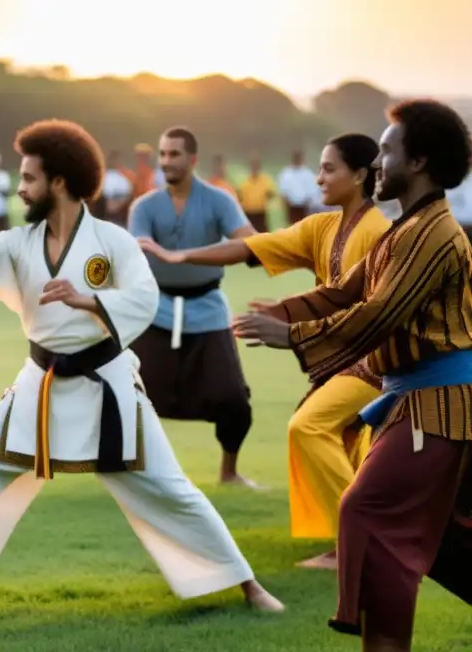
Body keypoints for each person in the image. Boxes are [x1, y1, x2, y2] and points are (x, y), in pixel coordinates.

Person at [0, 119, 283, 614]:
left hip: (107, 389)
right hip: (41, 386)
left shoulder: (112, 242)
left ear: (58, 182)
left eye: (28, 178)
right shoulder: (19, 242)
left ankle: (249, 587)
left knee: (168, 489)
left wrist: (89, 300)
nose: (20, 187)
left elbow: (143, 296)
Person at [233, 99, 472, 650]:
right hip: (413, 405)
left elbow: (379, 314)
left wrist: (294, 337)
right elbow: (344, 292)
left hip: (438, 406)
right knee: (452, 541)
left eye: (385, 150)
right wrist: (280, 315)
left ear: (420, 161)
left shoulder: (434, 234)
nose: (377, 161)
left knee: (367, 509)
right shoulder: (402, 231)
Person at [143, 134, 389, 569]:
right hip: (340, 360)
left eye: (329, 168)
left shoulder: (378, 233)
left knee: (309, 427)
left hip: (375, 361)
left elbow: (363, 306)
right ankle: (357, 541)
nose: (318, 178)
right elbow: (251, 247)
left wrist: (290, 325)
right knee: (343, 439)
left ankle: (356, 545)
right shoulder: (321, 227)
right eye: (319, 167)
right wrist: (180, 258)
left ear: (360, 175)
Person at [128, 127, 258, 486]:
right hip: (156, 309)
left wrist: (187, 255)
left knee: (232, 397)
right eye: (163, 154)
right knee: (129, 393)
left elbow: (250, 245)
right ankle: (135, 474)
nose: (166, 161)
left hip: (207, 307)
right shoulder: (145, 205)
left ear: (192, 159)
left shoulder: (219, 200)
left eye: (174, 154)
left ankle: (229, 473)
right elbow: (135, 247)